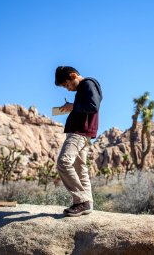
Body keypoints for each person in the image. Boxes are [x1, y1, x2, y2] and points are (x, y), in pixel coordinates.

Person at [54, 66, 102, 217]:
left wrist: (73, 106)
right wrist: (72, 108)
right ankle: (87, 204)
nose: (68, 89)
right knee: (80, 168)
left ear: (73, 75)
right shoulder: (84, 87)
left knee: (63, 162)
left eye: (67, 85)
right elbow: (87, 107)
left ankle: (81, 201)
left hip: (79, 132)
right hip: (81, 131)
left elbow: (93, 106)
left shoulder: (88, 84)